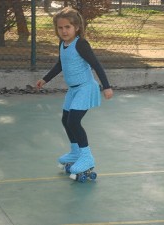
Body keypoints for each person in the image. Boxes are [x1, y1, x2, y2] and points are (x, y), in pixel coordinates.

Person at [36, 7, 113, 179]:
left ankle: (87, 157)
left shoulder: (81, 44)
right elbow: (60, 64)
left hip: (85, 88)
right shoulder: (63, 44)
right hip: (73, 90)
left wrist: (106, 86)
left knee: (74, 121)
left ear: (76, 27)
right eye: (60, 28)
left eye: (67, 27)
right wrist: (45, 79)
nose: (64, 31)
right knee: (66, 119)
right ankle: (75, 152)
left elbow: (96, 64)